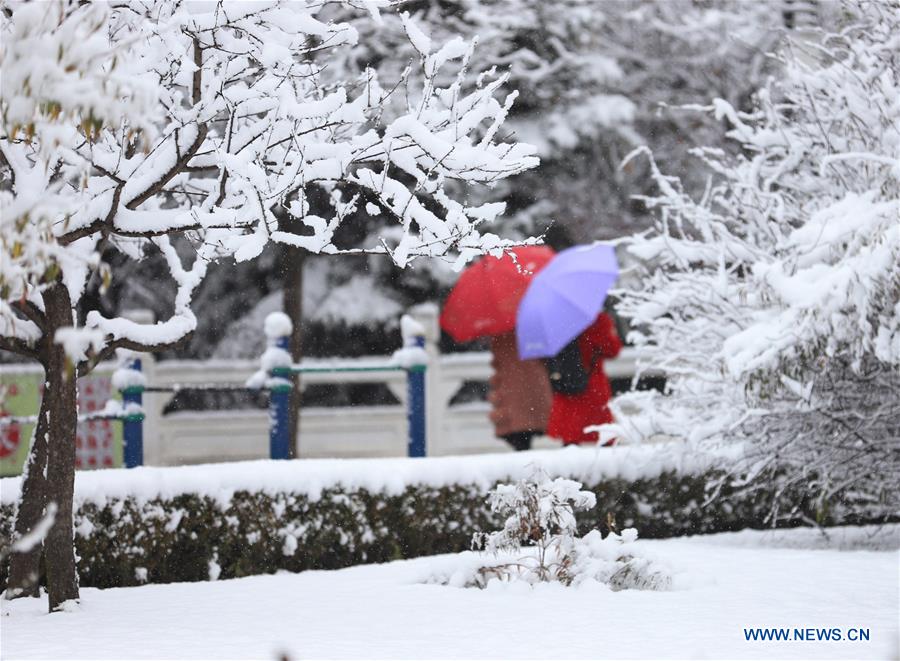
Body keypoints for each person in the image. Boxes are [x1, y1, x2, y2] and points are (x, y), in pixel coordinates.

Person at [546, 312, 622, 446]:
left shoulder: (559, 320)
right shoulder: (597, 320)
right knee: (603, 433)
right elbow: (612, 350)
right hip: (592, 381)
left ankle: (571, 457)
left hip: (567, 379)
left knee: (570, 434)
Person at [487, 331, 553, 451]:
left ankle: (523, 453)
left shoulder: (501, 335)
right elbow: (545, 357)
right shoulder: (532, 332)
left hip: (511, 387)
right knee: (528, 425)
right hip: (534, 384)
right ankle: (525, 451)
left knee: (517, 430)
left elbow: (497, 361)